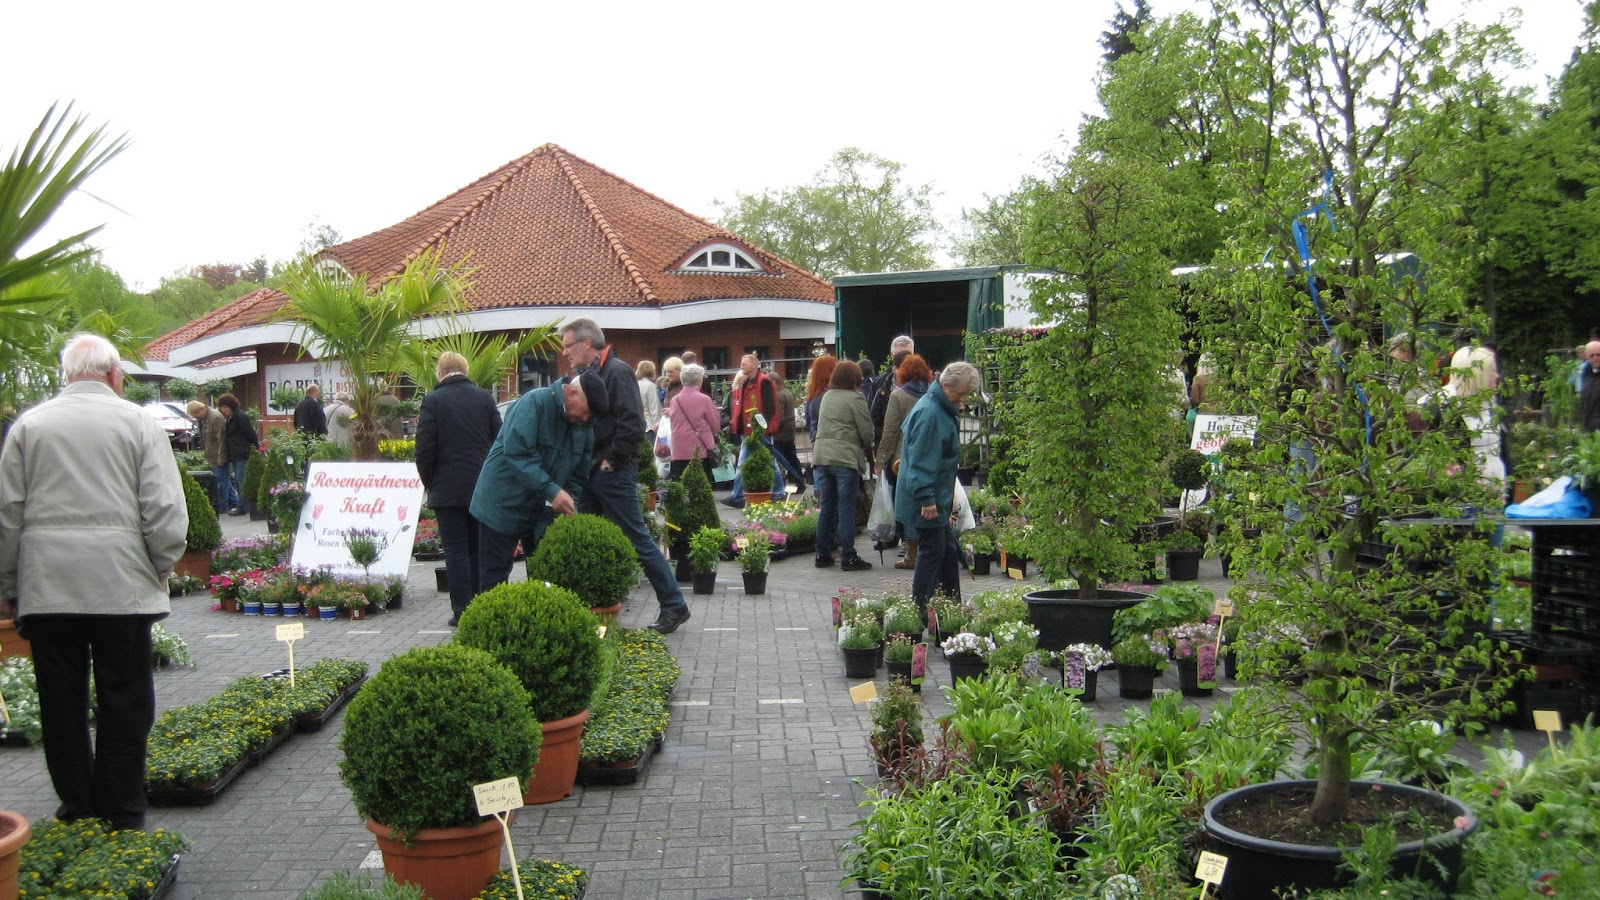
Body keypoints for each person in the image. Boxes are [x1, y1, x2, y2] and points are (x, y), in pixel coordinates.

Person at [0, 333, 188, 831]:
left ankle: (77, 806)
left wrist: (11, 583)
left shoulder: (29, 427)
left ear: (68, 374)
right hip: (121, 586)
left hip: (48, 588)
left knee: (59, 702)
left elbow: (7, 515)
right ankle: (122, 809)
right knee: (124, 699)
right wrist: (162, 565)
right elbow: (165, 509)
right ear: (112, 374)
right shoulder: (138, 424)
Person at [562, 318, 692, 634]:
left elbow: (631, 424)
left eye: (567, 345)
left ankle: (674, 604)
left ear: (586, 343)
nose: (564, 352)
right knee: (588, 535)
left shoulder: (616, 372)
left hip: (612, 471)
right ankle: (594, 601)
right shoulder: (591, 375)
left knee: (637, 537)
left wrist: (611, 461)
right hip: (597, 470)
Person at [470, 371, 605, 595]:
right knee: (494, 579)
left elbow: (578, 475)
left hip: (540, 509)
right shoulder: (534, 403)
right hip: (501, 502)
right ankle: (488, 627)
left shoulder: (583, 426)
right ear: (571, 393)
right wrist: (552, 491)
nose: (584, 419)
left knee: (545, 577)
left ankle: (537, 627)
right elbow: (518, 453)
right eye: (585, 412)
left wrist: (570, 502)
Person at [416, 352, 502, 626]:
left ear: (440, 373)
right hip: (481, 486)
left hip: (447, 487)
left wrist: (430, 482)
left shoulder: (433, 401)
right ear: (464, 370)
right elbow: (499, 440)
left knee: (455, 550)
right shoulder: (484, 398)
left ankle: (462, 610)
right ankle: (481, 604)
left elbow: (424, 449)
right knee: (478, 548)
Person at [896, 361, 982, 623]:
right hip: (926, 500)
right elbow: (923, 459)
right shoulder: (932, 414)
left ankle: (951, 606)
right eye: (961, 393)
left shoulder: (937, 408)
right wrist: (928, 499)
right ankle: (919, 611)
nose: (963, 400)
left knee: (945, 549)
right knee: (932, 553)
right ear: (946, 386)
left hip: (934, 496)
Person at [873, 353, 935, 570]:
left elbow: (889, 432)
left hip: (902, 460)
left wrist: (880, 461)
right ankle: (930, 548)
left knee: (908, 504)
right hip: (930, 456)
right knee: (928, 501)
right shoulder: (933, 394)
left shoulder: (898, 396)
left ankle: (911, 553)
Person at [812, 360, 875, 571]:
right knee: (846, 508)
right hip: (844, 459)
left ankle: (822, 553)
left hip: (821, 457)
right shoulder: (856, 397)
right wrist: (870, 448)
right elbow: (866, 432)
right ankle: (848, 556)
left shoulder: (827, 396)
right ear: (855, 378)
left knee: (827, 506)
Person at [723, 353, 785, 508]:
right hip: (748, 429)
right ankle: (778, 492)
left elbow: (769, 407)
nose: (741, 366)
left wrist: (763, 427)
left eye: (744, 364)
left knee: (748, 462)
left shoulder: (763, 382)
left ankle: (737, 496)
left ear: (754, 365)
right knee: (767, 461)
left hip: (758, 429)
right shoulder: (746, 382)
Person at [1449, 346, 1506, 491]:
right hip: (1465, 496)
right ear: (1477, 374)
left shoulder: (1491, 405)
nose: (1497, 375)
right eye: (1492, 371)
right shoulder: (1448, 410)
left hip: (1495, 493)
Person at [667, 364, 720, 481]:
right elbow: (715, 425)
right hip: (700, 448)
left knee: (680, 483)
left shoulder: (675, 400)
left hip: (678, 448)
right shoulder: (705, 399)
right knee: (701, 483)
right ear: (699, 381)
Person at [188, 399, 239, 514]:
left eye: (195, 414)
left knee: (221, 480)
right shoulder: (204, 419)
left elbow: (221, 439)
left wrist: (222, 457)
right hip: (213, 454)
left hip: (219, 455)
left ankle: (221, 505)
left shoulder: (215, 418)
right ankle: (234, 501)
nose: (195, 417)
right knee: (223, 479)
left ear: (201, 410)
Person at [217, 393, 258, 512]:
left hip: (242, 453)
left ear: (231, 406)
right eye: (221, 408)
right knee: (239, 479)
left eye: (224, 407)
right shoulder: (231, 418)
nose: (223, 410)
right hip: (235, 454)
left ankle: (243, 506)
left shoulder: (240, 416)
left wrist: (256, 447)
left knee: (241, 479)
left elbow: (250, 433)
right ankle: (241, 504)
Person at [773, 377, 806, 495]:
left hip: (779, 434)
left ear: (774, 382)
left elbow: (778, 416)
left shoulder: (777, 396)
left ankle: (780, 486)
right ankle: (800, 482)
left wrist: (771, 428)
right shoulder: (787, 393)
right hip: (788, 433)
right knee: (791, 459)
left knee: (778, 460)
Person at [804, 355, 839, 443]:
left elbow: (809, 421)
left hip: (818, 443)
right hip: (831, 445)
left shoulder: (813, 394)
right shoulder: (829, 396)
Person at [636, 360, 662, 443]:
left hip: (637, 424)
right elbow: (654, 407)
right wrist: (658, 425)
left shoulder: (634, 384)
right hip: (650, 426)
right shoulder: (650, 386)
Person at [1581, 340, 1600, 433]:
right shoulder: (1586, 373)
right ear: (1586, 356)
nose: (1595, 358)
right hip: (1589, 425)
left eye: (1598, 355)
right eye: (1591, 355)